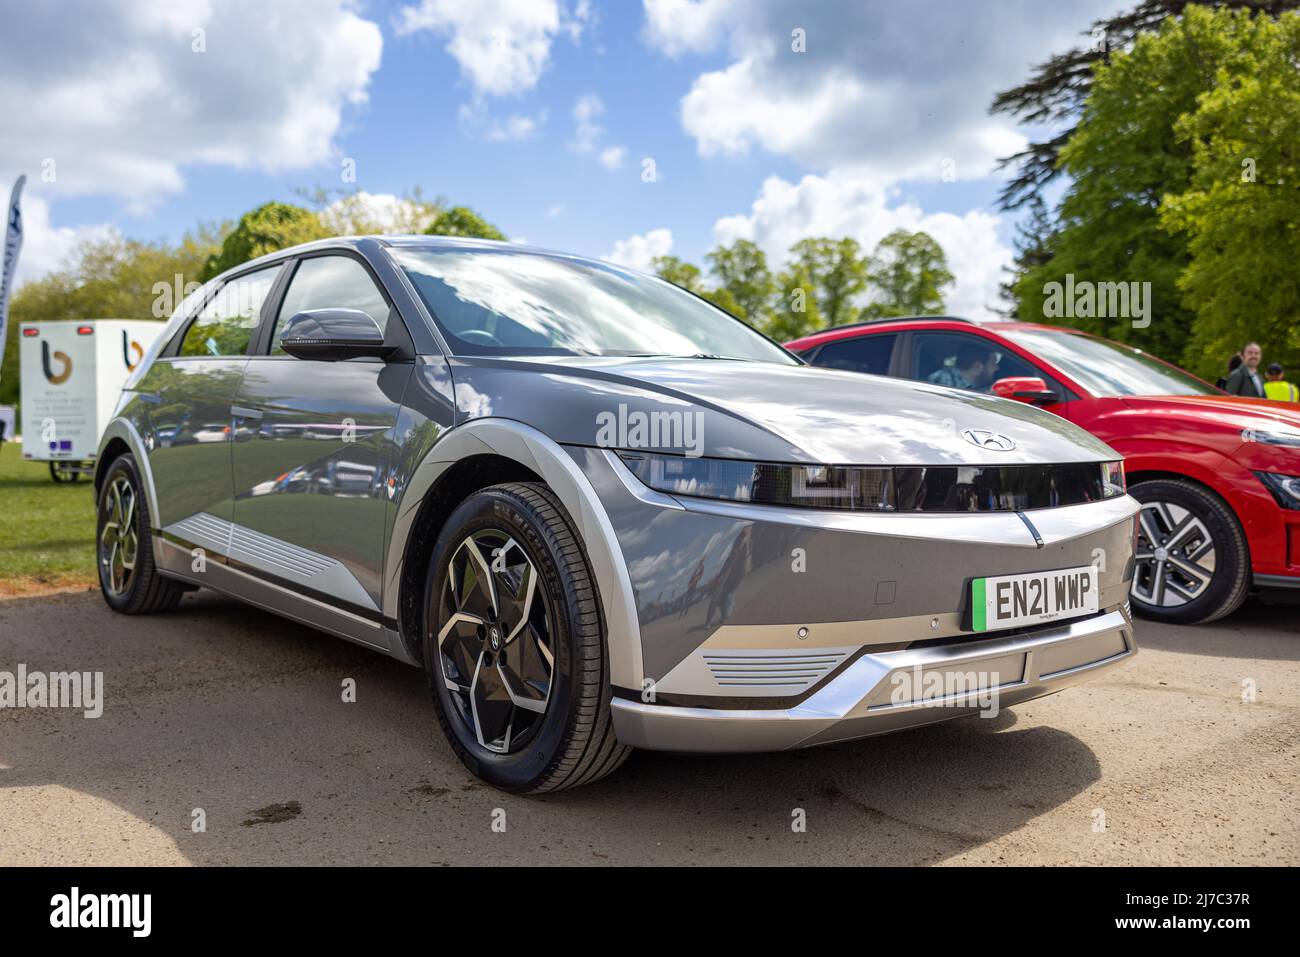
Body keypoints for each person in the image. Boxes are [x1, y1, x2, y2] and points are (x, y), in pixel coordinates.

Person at [927, 342, 998, 393]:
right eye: (993, 364)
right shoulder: (941, 379)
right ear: (977, 367)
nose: (996, 368)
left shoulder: (980, 384)